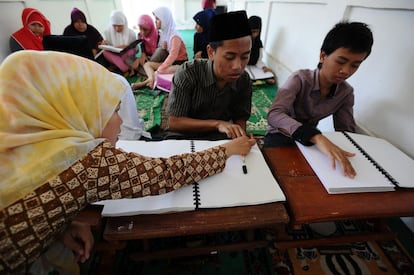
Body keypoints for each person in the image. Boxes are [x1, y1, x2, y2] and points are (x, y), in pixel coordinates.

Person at [0, 50, 256, 273]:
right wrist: (227, 150)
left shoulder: (16, 142)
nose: (121, 121)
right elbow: (166, 173)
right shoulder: (84, 162)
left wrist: (60, 225)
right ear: (75, 107)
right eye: (112, 111)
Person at [265, 21, 374, 178]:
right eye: (341, 62)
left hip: (312, 143)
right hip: (280, 136)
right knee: (278, 177)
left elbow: (346, 132)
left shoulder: (346, 93)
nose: (346, 71)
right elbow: (274, 115)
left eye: (355, 65)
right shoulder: (299, 79)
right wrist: (315, 136)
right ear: (323, 56)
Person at [165, 10, 252, 140]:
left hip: (220, 138)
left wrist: (240, 136)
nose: (238, 66)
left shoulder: (243, 80)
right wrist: (217, 124)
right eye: (229, 57)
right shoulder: (188, 73)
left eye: (245, 57)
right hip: (185, 136)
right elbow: (174, 122)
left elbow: (240, 117)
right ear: (211, 52)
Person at [131, 6, 188, 90]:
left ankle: (145, 82)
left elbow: (172, 56)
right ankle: (151, 79)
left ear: (165, 20)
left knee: (160, 72)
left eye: (158, 19)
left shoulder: (175, 36)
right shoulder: (165, 33)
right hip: (170, 63)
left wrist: (161, 68)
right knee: (147, 65)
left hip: (179, 65)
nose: (155, 21)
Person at [102, 10, 137, 75]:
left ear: (124, 24)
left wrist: (127, 47)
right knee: (105, 52)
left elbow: (135, 48)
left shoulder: (131, 33)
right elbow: (108, 46)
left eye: (120, 26)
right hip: (114, 55)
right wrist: (105, 44)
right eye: (114, 26)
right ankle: (125, 67)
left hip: (125, 55)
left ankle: (119, 66)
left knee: (131, 51)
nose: (117, 28)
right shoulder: (107, 32)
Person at [247, 15, 276, 85]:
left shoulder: (258, 43)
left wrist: (263, 67)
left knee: (269, 74)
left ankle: (262, 79)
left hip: (254, 67)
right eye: (251, 31)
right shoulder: (242, 42)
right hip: (243, 67)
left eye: (256, 32)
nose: (253, 35)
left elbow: (259, 61)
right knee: (245, 77)